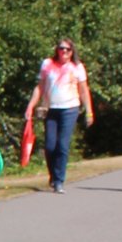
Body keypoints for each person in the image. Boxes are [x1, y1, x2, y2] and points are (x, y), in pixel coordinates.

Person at [21, 38, 92, 193]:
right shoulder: (48, 64)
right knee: (50, 146)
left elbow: (83, 90)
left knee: (62, 145)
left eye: (68, 49)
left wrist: (89, 111)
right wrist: (31, 106)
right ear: (57, 50)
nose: (64, 52)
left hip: (70, 108)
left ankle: (59, 180)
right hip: (51, 109)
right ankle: (53, 175)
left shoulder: (77, 67)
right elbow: (39, 87)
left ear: (72, 52)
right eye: (61, 49)